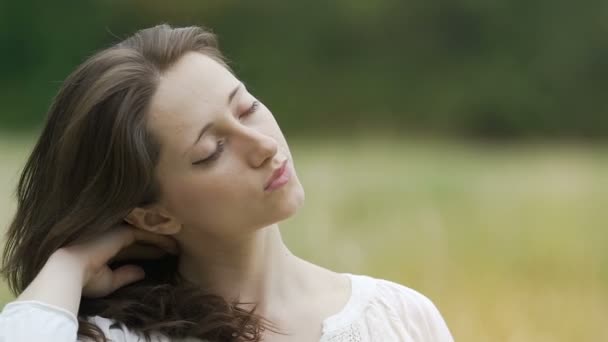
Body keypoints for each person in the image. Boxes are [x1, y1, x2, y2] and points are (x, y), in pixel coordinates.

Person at [0, 24, 453, 342]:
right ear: (154, 216)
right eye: (212, 151)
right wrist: (70, 263)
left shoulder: (400, 317)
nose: (261, 145)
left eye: (246, 108)